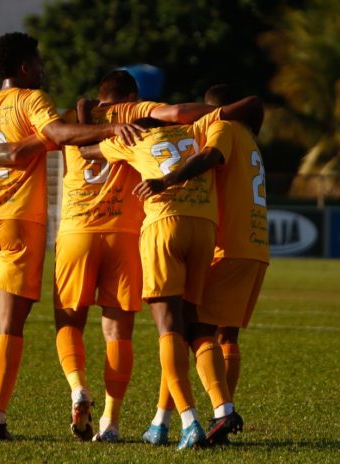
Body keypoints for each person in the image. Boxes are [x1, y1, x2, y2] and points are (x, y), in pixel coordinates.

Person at [0, 32, 144, 441]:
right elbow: (58, 137)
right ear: (23, 68)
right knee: (10, 325)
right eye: (38, 62)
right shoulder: (33, 101)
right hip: (20, 221)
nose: (43, 69)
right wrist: (106, 131)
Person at [79, 96, 260, 449]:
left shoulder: (135, 140)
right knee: (193, 327)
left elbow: (87, 150)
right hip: (204, 231)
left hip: (165, 226)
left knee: (168, 328)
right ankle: (194, 414)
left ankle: (189, 421)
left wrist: (88, 112)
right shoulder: (197, 131)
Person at [134, 85, 268, 445]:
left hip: (229, 244)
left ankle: (222, 411)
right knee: (224, 334)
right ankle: (194, 417)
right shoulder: (250, 139)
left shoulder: (222, 128)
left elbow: (210, 156)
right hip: (256, 246)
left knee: (190, 331)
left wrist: (166, 180)